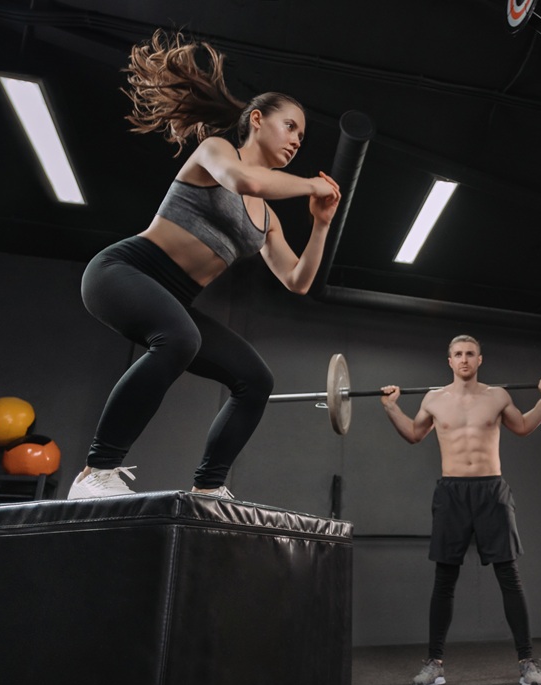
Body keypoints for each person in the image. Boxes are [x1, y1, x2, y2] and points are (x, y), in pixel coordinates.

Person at [68, 30, 341, 500]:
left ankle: (208, 488)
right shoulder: (219, 153)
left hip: (171, 300)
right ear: (257, 119)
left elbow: (297, 281)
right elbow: (241, 181)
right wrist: (311, 186)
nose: (298, 139)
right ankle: (96, 472)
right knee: (180, 338)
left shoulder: (269, 218)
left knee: (255, 380)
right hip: (123, 272)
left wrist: (319, 224)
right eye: (290, 126)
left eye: (302, 134)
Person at [380, 335, 541, 685]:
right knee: (444, 581)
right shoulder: (433, 399)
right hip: (452, 493)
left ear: (480, 360)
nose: (464, 359)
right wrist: (391, 408)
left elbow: (521, 427)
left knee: (509, 576)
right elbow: (415, 434)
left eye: (470, 354)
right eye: (457, 354)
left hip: (491, 490)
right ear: (449, 361)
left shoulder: (497, 396)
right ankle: (434, 664)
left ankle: (527, 663)